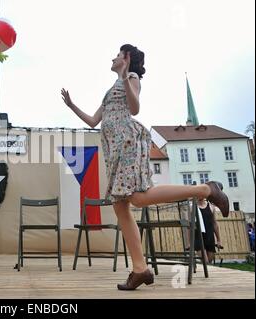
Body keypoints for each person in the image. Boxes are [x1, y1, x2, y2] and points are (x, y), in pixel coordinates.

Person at [61, 44, 230, 290]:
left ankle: (205, 190)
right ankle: (140, 269)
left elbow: (135, 107)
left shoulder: (131, 77)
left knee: (138, 199)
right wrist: (72, 105)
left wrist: (126, 75)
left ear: (126, 58)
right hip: (114, 148)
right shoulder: (112, 89)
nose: (113, 57)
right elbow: (93, 120)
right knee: (121, 206)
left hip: (128, 142)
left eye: (118, 54)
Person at [194, 198, 223, 263]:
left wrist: (218, 240)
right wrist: (189, 243)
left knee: (209, 261)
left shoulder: (211, 207)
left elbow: (214, 224)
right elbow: (189, 226)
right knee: (206, 262)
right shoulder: (193, 207)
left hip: (209, 237)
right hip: (198, 237)